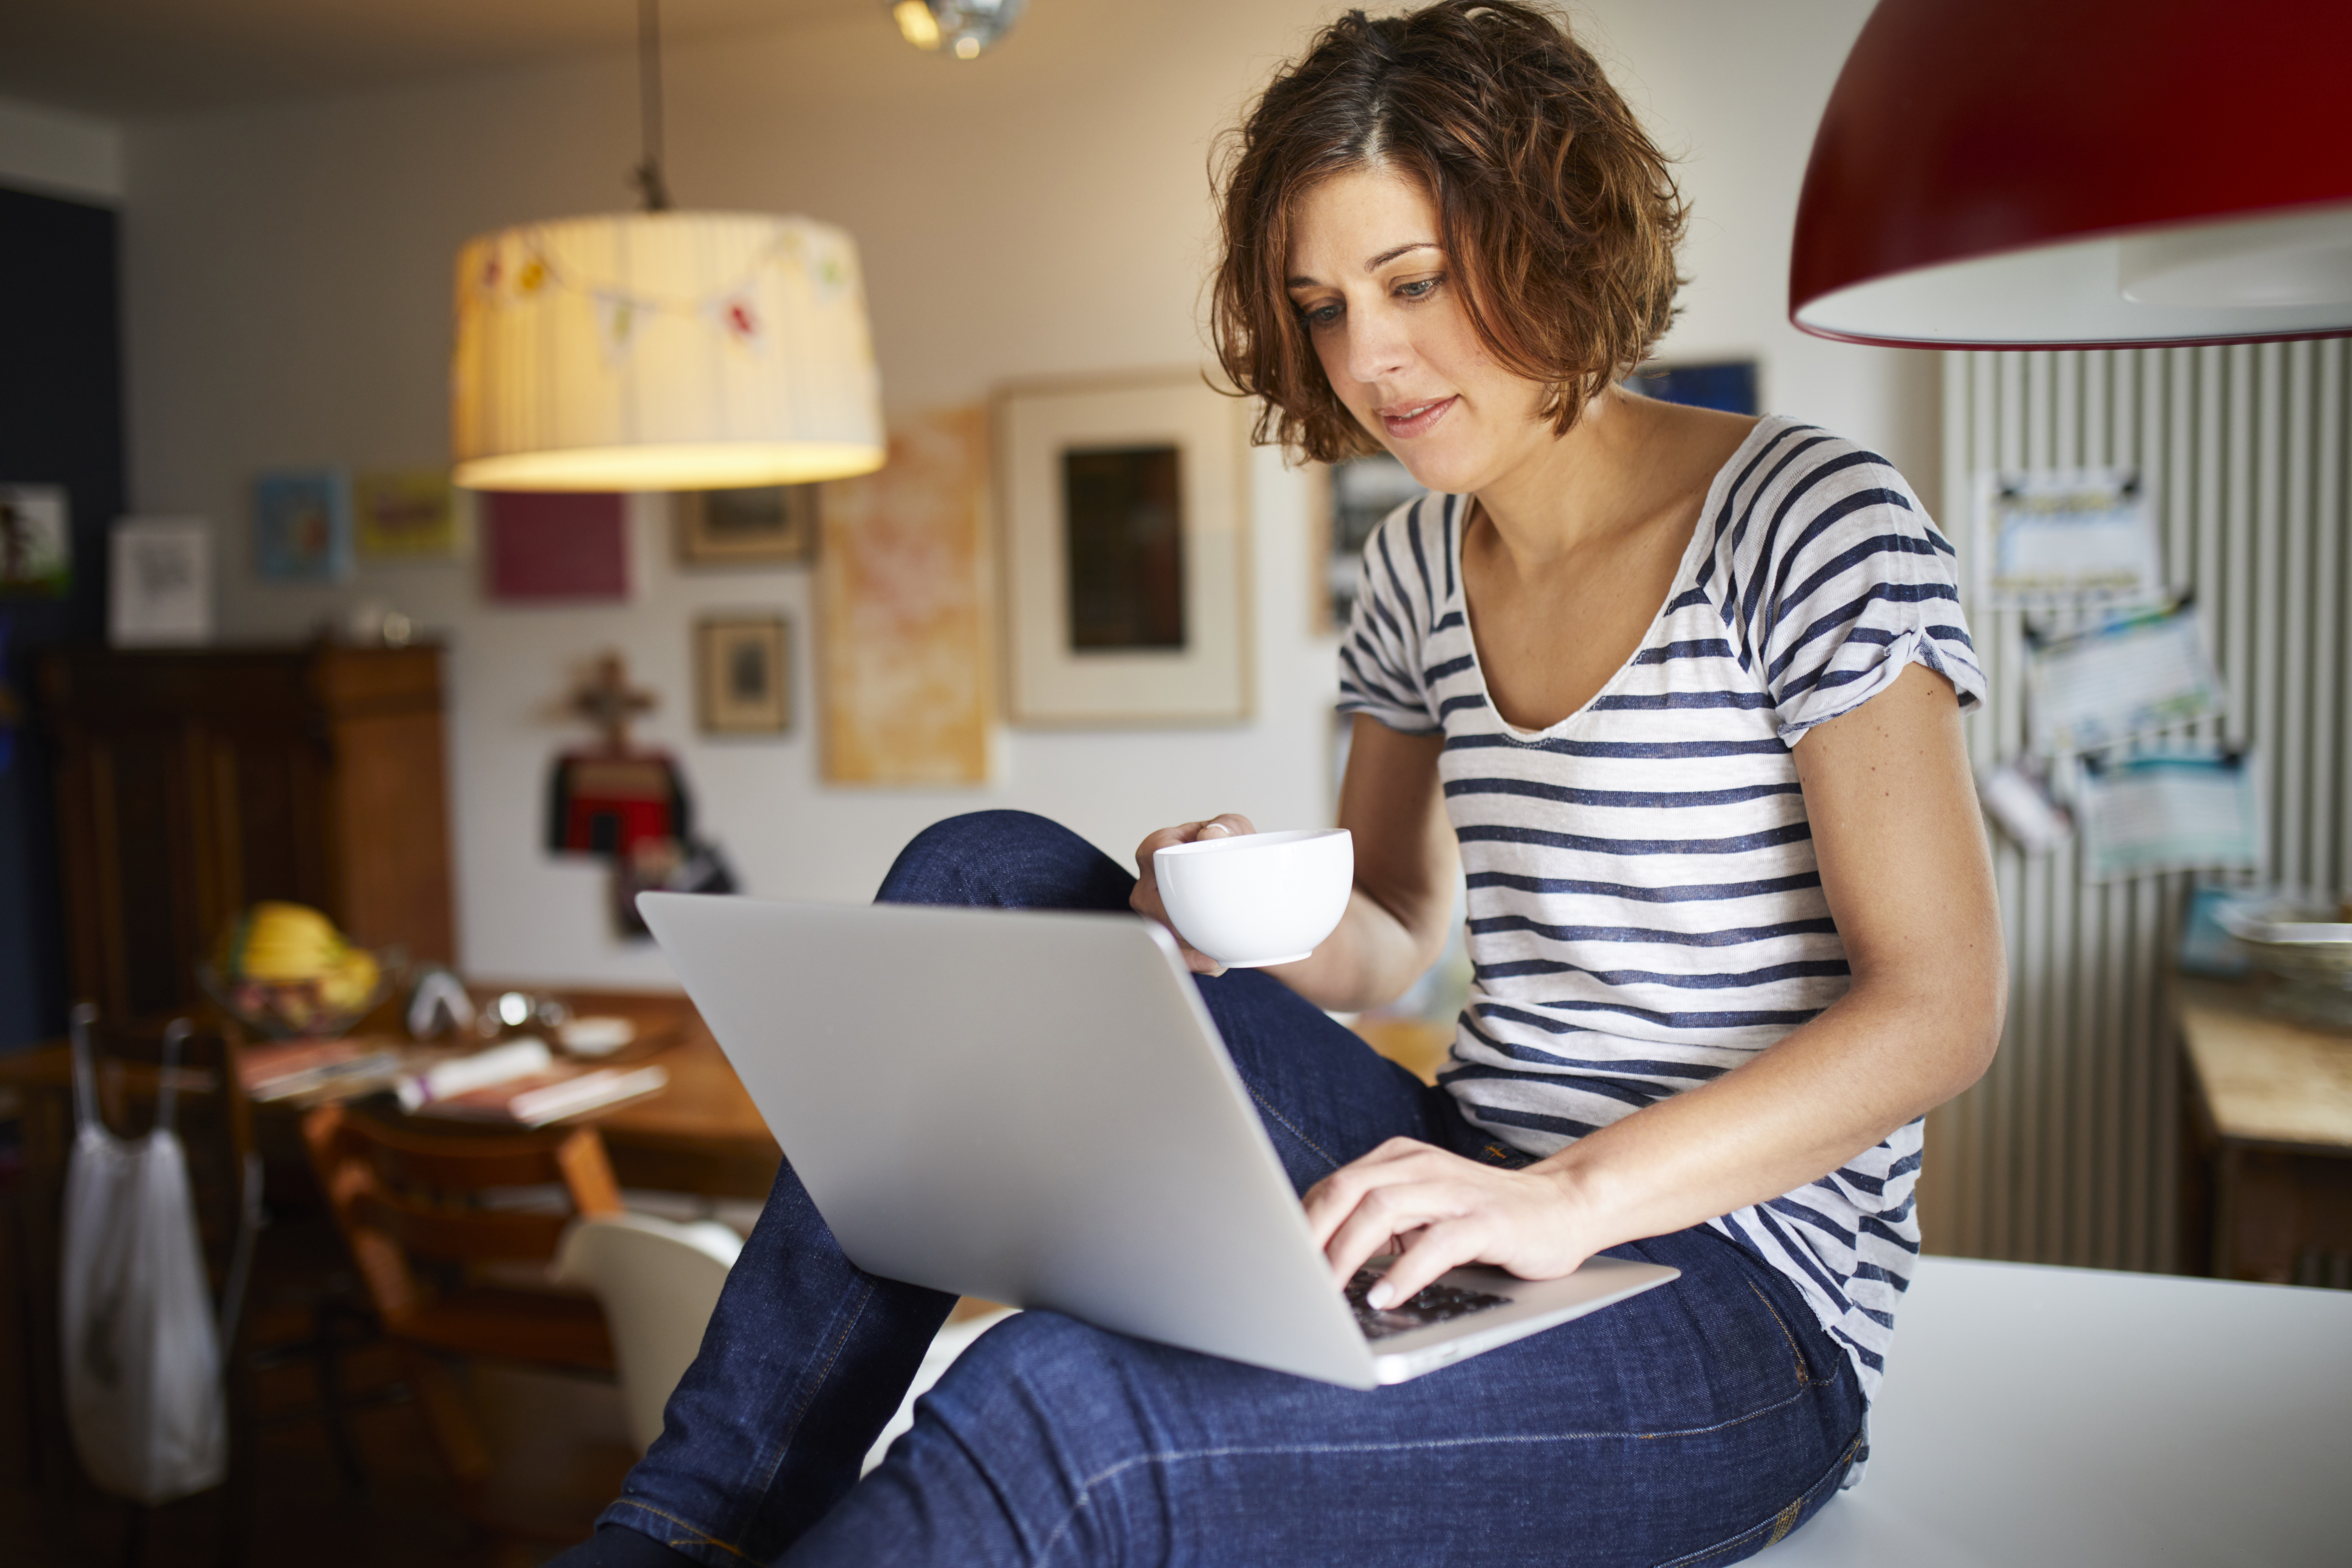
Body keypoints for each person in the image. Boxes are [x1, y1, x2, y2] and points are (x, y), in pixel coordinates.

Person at [559, 4, 2002, 1563]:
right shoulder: (1415, 566)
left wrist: (1571, 1201)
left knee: (1054, 1405)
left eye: (1413, 283)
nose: (1367, 359)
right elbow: (1389, 926)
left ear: (1556, 235)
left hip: (1738, 1307)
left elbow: (1939, 1005)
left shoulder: (1808, 520)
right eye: (1321, 307)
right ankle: (679, 1532)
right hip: (1472, 1180)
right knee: (982, 871)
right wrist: (1212, 915)